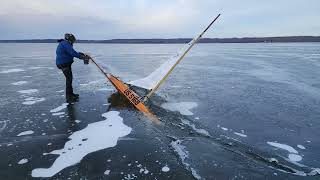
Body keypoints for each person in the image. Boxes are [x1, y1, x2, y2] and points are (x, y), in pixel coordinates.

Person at [56, 33, 90, 103]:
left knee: (69, 79)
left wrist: (80, 53)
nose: (73, 41)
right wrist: (82, 57)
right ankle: (69, 98)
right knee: (69, 80)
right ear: (70, 39)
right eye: (73, 40)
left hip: (66, 63)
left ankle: (71, 94)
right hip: (64, 64)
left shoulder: (65, 43)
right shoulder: (65, 44)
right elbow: (72, 53)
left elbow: (72, 52)